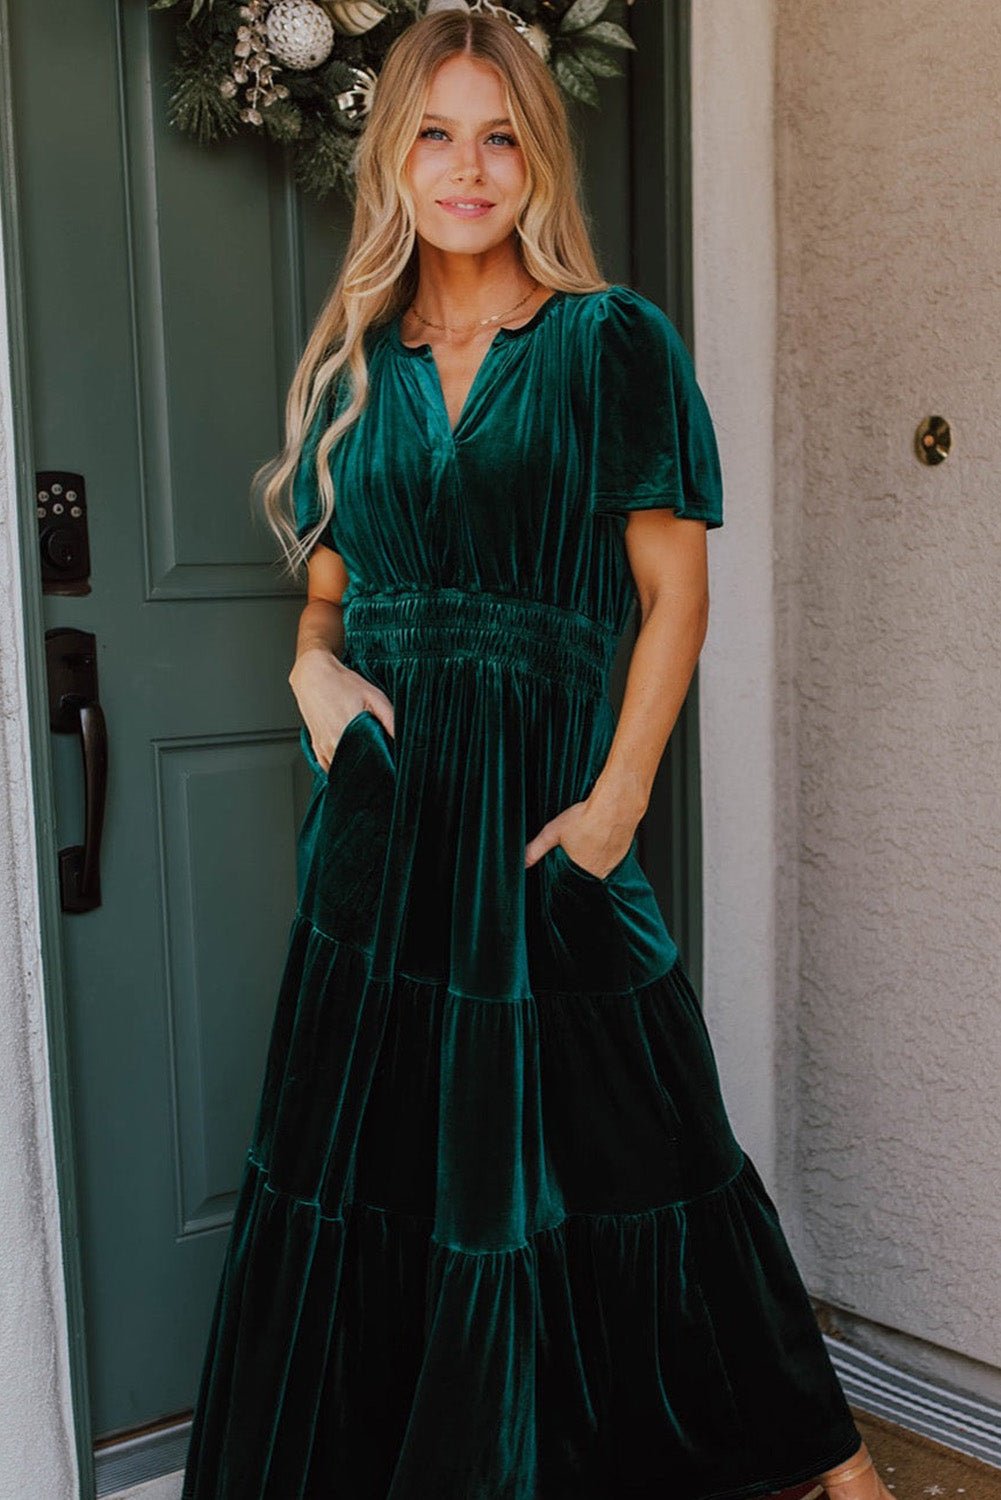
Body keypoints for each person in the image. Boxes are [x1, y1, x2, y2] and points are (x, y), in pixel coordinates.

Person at [180, 10, 894, 1500]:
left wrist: (614, 808)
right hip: (388, 846)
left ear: (536, 157)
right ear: (393, 160)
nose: (466, 167)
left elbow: (672, 595)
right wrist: (314, 681)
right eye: (434, 134)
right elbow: (324, 608)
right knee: (380, 1166)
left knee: (654, 1134)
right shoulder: (354, 374)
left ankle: (823, 1461)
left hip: (551, 818)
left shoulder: (605, 342)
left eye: (497, 134)